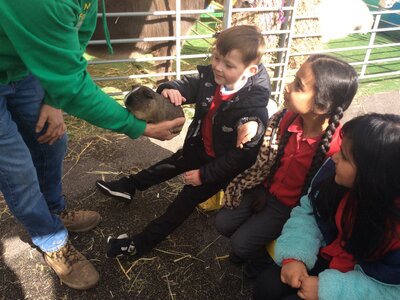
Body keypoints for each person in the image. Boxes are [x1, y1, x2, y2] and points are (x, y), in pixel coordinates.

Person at [0, 0, 184, 290]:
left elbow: (79, 33)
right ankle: (51, 239)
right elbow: (73, 86)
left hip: (20, 67)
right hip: (14, 58)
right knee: (16, 167)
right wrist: (140, 127)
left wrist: (53, 100)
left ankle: (53, 209)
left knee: (53, 141)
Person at [96, 25, 271, 258]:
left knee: (184, 201)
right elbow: (191, 85)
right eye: (216, 58)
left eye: (228, 64)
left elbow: (241, 158)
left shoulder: (252, 109)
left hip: (218, 166)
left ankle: (141, 243)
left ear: (250, 70)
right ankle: (129, 186)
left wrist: (204, 175)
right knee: (171, 163)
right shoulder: (214, 77)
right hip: (200, 145)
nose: (218, 67)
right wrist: (172, 89)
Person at [215, 54, 358, 278]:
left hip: (290, 206)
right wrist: (252, 125)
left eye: (298, 86)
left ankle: (261, 259)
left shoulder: (337, 148)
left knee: (241, 245)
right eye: (294, 79)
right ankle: (255, 243)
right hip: (264, 188)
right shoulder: (285, 118)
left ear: (320, 107)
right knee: (223, 223)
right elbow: (265, 145)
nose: (288, 87)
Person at [253, 113, 400, 300]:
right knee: (267, 286)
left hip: (364, 282)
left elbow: (389, 291)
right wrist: (295, 255)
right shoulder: (334, 177)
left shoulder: (394, 233)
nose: (335, 157)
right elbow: (310, 212)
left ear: (373, 177)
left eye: (345, 157)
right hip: (329, 249)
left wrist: (329, 290)